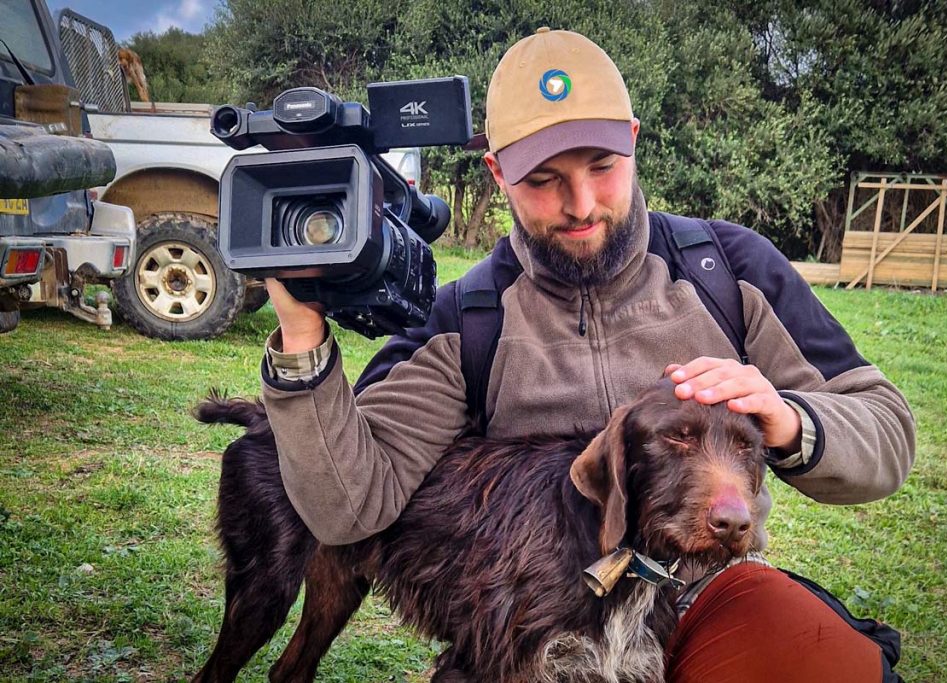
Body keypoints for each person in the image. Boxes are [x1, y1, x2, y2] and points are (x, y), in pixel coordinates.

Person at [259, 28, 914, 682]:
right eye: (544, 179)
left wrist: (791, 419)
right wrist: (302, 339)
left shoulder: (728, 271)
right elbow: (349, 505)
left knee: (824, 657)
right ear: (498, 172)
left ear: (632, 140)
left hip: (697, 590)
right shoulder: (465, 320)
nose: (580, 205)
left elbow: (884, 425)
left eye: (602, 166)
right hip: (542, 609)